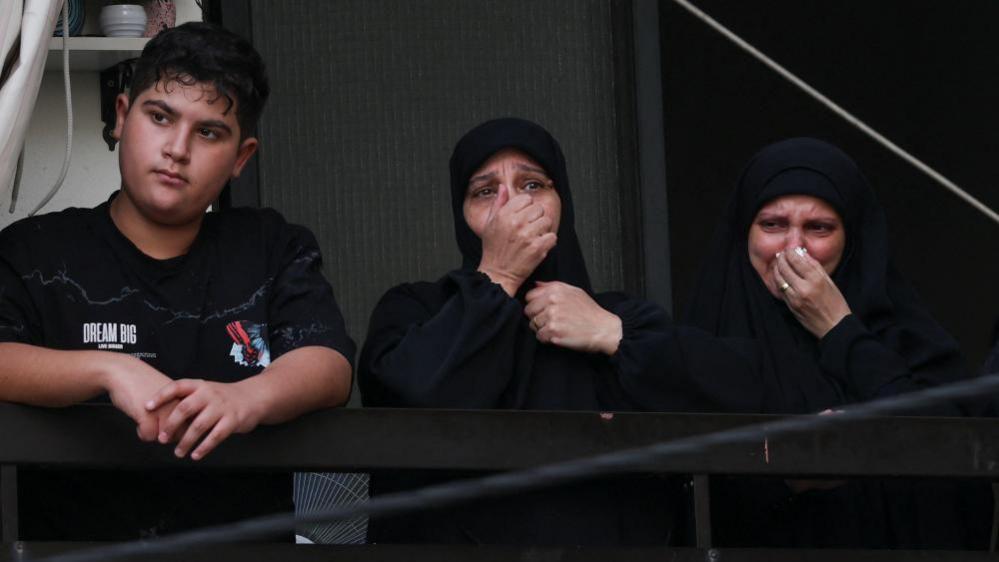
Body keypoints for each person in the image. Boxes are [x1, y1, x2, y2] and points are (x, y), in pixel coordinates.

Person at [0, 22, 355, 540]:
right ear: (122, 117)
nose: (177, 149)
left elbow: (329, 366)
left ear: (242, 157)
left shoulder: (269, 246)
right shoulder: (36, 250)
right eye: (161, 117)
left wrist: (246, 399)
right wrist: (108, 369)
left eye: (209, 132)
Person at [359, 117, 685, 546]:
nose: (512, 206)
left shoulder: (624, 317)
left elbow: (708, 397)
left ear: (562, 201)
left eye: (533, 185)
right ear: (462, 216)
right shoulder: (415, 310)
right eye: (485, 192)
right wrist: (498, 276)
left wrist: (611, 333)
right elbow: (410, 399)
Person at [683, 137, 990, 548]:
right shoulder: (705, 339)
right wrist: (787, 476)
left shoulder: (906, 337)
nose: (794, 248)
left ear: (852, 239)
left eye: (819, 228)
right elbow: (681, 499)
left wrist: (839, 328)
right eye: (773, 225)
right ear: (745, 234)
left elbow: (958, 463)